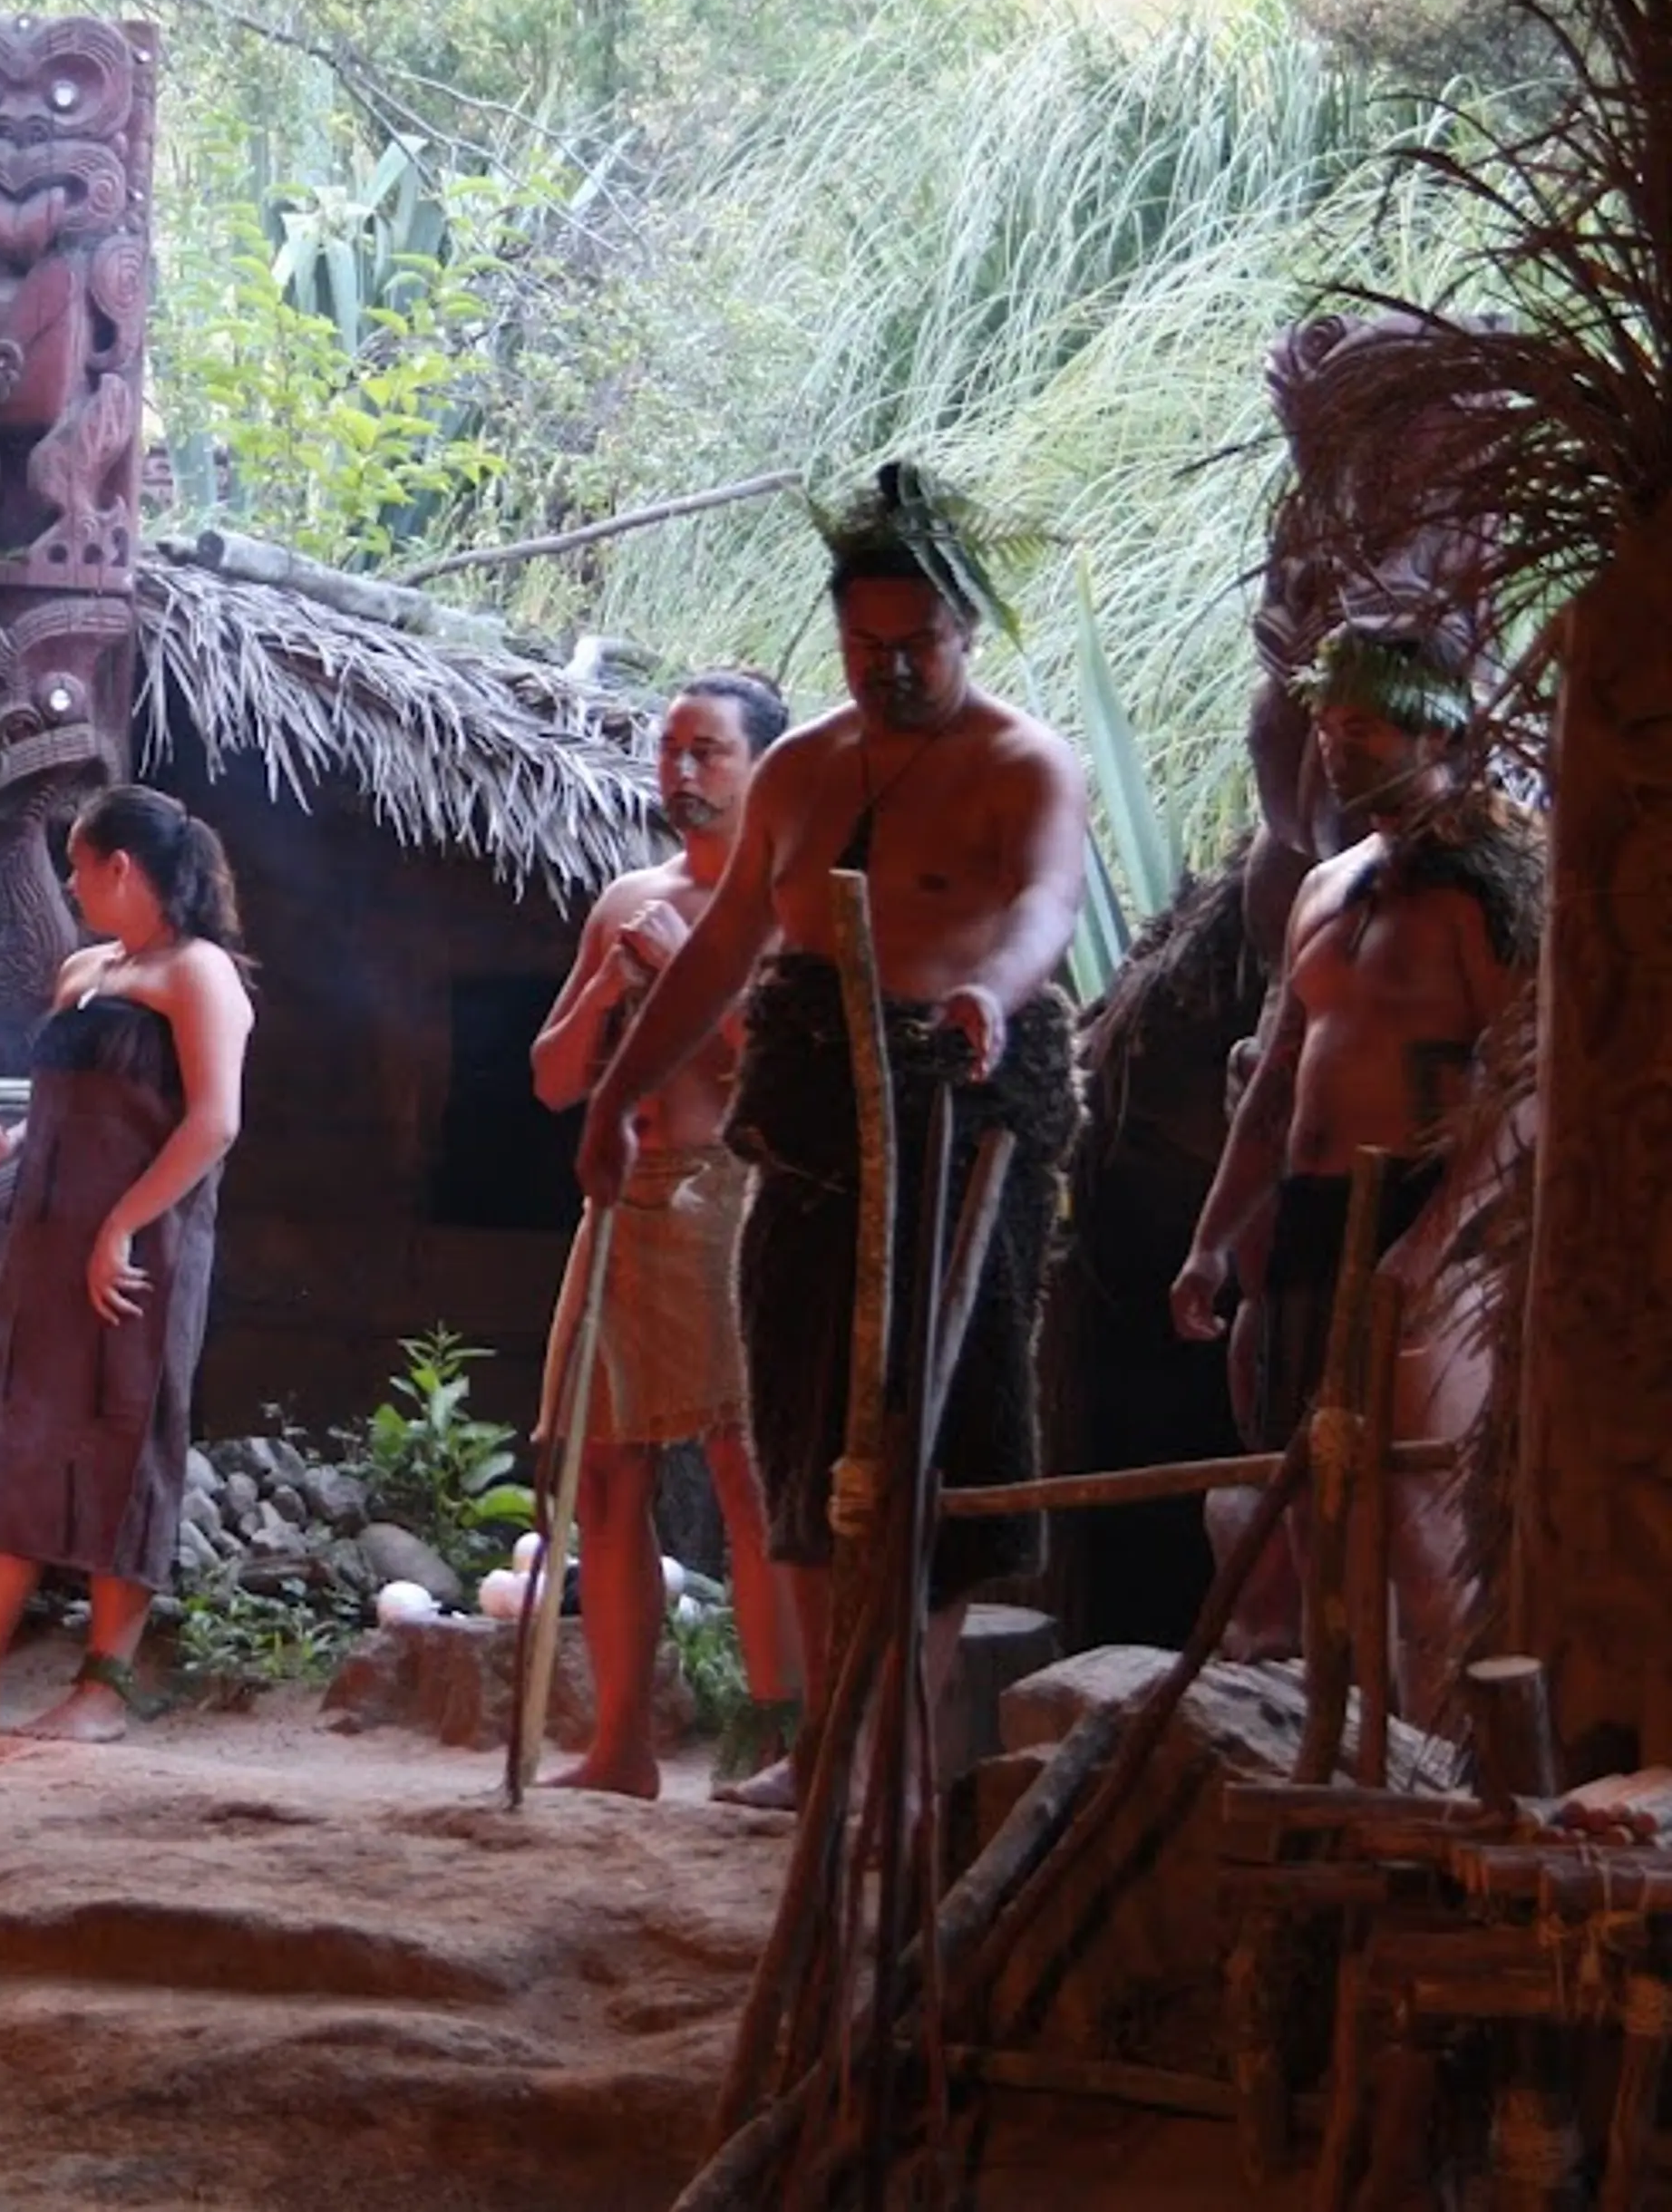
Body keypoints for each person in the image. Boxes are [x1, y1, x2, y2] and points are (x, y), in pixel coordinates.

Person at [575, 464, 1086, 1738]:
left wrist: (992, 998)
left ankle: (896, 1744)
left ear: (965, 630)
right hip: (807, 1130)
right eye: (866, 645)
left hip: (959, 1121)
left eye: (918, 644)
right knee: (802, 1425)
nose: (892, 668)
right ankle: (828, 1748)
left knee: (938, 1424)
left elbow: (1044, 909)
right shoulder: (800, 772)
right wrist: (620, 1093)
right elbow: (729, 943)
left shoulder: (1024, 763)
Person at [1169, 622, 1533, 1691]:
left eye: (1363, 725)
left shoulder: (1497, 870)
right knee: (1320, 1508)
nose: (1335, 745)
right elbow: (1281, 1072)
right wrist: (1213, 1242)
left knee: (1422, 1512)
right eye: (1327, 724)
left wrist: (1437, 1238)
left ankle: (1449, 1765)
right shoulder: (1328, 883)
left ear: (1437, 725)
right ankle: (1350, 1759)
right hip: (1315, 1222)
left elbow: (1528, 1076)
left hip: (1435, 1218)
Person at [0, 784, 253, 1741]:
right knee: (16, 1435)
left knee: (120, 1439)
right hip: (50, 1235)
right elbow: (63, 1104)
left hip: (142, 1244)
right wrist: (2, 1142)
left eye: (76, 866)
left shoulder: (201, 973)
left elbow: (214, 1121)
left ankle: (103, 1688)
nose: (70, 884)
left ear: (118, 866)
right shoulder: (85, 968)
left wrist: (121, 1225)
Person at [529, 670, 806, 1801]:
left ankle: (779, 1735)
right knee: (601, 1472)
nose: (683, 774)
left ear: (765, 770)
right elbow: (553, 1080)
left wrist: (691, 979)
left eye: (710, 753)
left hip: (738, 1198)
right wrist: (608, 980)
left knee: (749, 1471)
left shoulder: (795, 911)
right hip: (625, 1210)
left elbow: (789, 1083)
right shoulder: (625, 901)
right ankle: (621, 1744)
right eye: (671, 751)